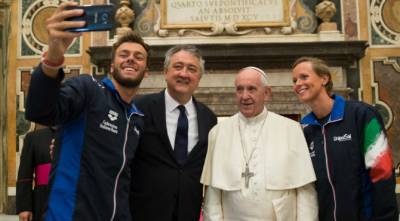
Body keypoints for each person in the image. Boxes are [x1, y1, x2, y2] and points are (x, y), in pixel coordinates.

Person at [24, 2, 149, 220]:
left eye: (139, 57)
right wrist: (54, 56)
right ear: (111, 66)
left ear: (146, 72)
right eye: (123, 54)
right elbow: (41, 111)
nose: (131, 58)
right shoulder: (89, 89)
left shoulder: (136, 119)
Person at [200, 66, 318, 221]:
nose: (244, 96)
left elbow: (305, 191)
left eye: (251, 89)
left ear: (267, 93)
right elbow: (213, 195)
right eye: (239, 89)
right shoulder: (218, 132)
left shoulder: (292, 129)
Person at [292, 57, 398, 221]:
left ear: (324, 79)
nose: (298, 83)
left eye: (304, 77)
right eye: (294, 80)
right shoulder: (304, 128)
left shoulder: (362, 114)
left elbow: (382, 171)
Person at [130, 45, 218, 221]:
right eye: (178, 67)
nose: (184, 74)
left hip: (188, 213)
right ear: (165, 72)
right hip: (141, 213)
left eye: (192, 69)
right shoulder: (139, 108)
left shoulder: (209, 118)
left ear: (199, 78)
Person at [16, 126, 56, 221]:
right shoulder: (33, 137)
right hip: (42, 199)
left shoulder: (79, 136)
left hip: (72, 198)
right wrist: (24, 207)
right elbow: (24, 174)